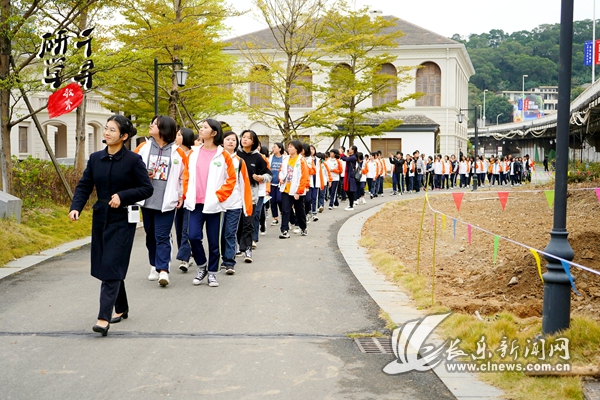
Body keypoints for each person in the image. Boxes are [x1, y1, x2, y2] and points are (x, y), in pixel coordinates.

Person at [69, 115, 154, 336]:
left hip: (122, 220)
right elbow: (84, 185)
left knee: (111, 264)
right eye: (106, 129)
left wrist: (123, 196)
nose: (106, 133)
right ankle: (122, 306)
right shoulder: (96, 158)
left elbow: (146, 188)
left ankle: (103, 318)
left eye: (112, 130)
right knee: (106, 264)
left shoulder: (133, 161)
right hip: (101, 218)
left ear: (124, 136)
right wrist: (75, 206)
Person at [135, 115, 187, 287]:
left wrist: (181, 195)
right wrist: (143, 174)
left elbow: (184, 177)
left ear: (164, 129)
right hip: (147, 200)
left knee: (162, 235)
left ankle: (163, 270)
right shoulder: (143, 147)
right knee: (150, 235)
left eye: (155, 124)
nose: (150, 126)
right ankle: (154, 264)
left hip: (168, 201)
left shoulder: (178, 152)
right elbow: (131, 169)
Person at [184, 119, 236, 287]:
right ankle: (202, 267)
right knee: (193, 236)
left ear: (214, 133)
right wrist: (186, 193)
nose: (201, 129)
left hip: (213, 205)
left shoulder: (223, 155)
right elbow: (186, 176)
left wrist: (219, 196)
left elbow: (231, 179)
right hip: (196, 203)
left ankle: (212, 273)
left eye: (205, 127)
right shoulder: (193, 153)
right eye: (201, 126)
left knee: (214, 242)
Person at [237, 129, 272, 262]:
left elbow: (269, 175)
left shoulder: (258, 157)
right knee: (238, 224)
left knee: (248, 223)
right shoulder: (235, 154)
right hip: (234, 195)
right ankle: (238, 247)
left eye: (248, 138)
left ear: (253, 141)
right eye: (243, 137)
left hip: (251, 195)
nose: (245, 139)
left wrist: (260, 178)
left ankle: (247, 250)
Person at [221, 131, 253, 275]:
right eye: (227, 139)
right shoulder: (217, 159)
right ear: (222, 142)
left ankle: (229, 262)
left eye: (233, 140)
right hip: (218, 203)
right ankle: (221, 258)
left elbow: (244, 185)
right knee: (219, 234)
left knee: (230, 233)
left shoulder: (240, 162)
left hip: (234, 203)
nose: (231, 142)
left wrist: (246, 206)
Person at [278, 140, 309, 238]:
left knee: (300, 210)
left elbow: (304, 177)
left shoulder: (301, 160)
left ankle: (303, 227)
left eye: (291, 147)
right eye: (289, 147)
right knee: (285, 210)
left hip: (296, 190)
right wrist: (281, 178)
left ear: (297, 149)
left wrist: (299, 191)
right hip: (286, 189)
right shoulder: (285, 159)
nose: (289, 148)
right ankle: (284, 230)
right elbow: (281, 170)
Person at [174, 127, 195, 273]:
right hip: (176, 197)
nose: (176, 136)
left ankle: (185, 258)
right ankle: (188, 253)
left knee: (186, 228)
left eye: (179, 134)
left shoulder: (194, 154)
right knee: (179, 227)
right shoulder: (174, 153)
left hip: (189, 197)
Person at [268, 143, 284, 226]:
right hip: (271, 183)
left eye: (274, 147)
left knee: (279, 199)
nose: (273, 148)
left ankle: (282, 212)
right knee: (272, 201)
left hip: (280, 183)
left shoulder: (284, 158)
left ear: (280, 149)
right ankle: (275, 218)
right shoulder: (271, 158)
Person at [341, 145, 358, 211]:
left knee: (350, 190)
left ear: (353, 150)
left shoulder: (353, 157)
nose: (349, 149)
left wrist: (341, 153)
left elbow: (345, 159)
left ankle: (351, 205)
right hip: (348, 175)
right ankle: (351, 204)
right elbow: (346, 158)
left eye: (350, 148)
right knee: (347, 190)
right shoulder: (352, 156)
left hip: (350, 176)